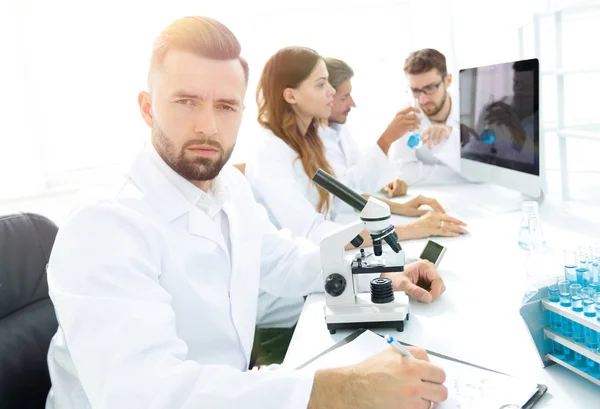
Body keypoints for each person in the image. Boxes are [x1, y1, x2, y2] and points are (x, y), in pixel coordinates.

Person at [44, 16, 448, 409]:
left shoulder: (228, 188)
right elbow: (146, 395)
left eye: (225, 106)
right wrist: (343, 390)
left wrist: (380, 274)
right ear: (147, 108)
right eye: (186, 101)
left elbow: (285, 261)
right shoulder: (103, 224)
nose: (208, 126)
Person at [245, 47, 464, 359]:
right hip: (289, 305)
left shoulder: (306, 141)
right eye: (322, 85)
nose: (333, 93)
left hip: (319, 278)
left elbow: (339, 197)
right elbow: (314, 234)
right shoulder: (270, 152)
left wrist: (398, 223)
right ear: (291, 95)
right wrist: (404, 231)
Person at [323, 57, 448, 216]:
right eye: (344, 97)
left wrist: (385, 184)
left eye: (430, 88)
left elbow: (356, 175)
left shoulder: (338, 128)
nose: (352, 103)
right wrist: (387, 138)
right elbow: (343, 195)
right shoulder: (315, 139)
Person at [385, 48, 470, 197]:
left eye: (430, 88)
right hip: (429, 195)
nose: (422, 100)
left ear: (448, 80)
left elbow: (487, 170)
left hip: (478, 196)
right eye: (415, 91)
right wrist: (460, 172)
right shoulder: (406, 114)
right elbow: (403, 172)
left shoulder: (470, 108)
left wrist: (452, 136)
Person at [461, 60, 539, 169]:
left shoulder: (543, 124)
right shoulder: (496, 110)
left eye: (525, 87)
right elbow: (475, 151)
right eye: (516, 83)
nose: (518, 90)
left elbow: (536, 167)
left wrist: (517, 130)